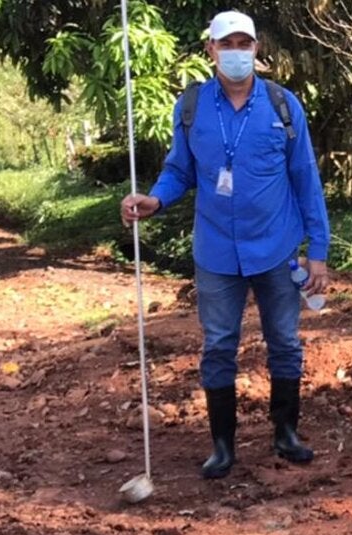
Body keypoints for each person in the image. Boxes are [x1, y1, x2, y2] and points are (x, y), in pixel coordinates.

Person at [120, 11, 331, 479]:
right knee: (218, 345)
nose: (236, 52)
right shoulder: (192, 106)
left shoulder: (282, 105)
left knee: (284, 341)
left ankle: (286, 433)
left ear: (256, 49)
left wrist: (318, 251)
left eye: (244, 43)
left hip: (276, 248)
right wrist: (155, 199)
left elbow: (305, 178)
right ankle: (222, 445)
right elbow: (179, 170)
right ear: (211, 50)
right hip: (216, 251)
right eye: (227, 44)